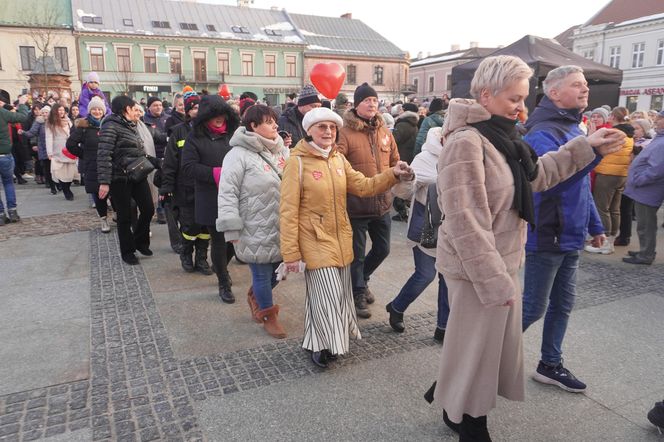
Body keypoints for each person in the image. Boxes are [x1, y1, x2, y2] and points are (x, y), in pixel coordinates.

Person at [430, 56, 624, 440]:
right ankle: (471, 422)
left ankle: (454, 404)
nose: (521, 109)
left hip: (499, 263)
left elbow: (537, 176)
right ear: (485, 95)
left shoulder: (502, 135)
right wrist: (496, 281)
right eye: (513, 99)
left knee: (482, 347)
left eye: (524, 99)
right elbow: (465, 220)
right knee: (478, 349)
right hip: (476, 270)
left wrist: (588, 146)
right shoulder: (468, 142)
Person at [280, 107, 413, 368]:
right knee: (325, 296)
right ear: (309, 131)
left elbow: (364, 186)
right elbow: (287, 211)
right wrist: (290, 253)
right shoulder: (296, 163)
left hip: (341, 239)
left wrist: (392, 174)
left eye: (331, 127)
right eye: (322, 127)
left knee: (336, 296)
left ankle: (317, 341)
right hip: (313, 239)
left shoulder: (338, 160)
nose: (328, 132)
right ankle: (321, 346)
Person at [519, 66, 613, 396]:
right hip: (547, 233)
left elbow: (582, 188)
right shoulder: (542, 132)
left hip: (570, 233)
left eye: (585, 85)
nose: (585, 90)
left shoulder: (575, 128)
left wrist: (594, 225)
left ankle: (550, 365)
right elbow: (546, 184)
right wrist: (593, 154)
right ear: (554, 93)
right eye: (577, 85)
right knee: (532, 308)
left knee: (562, 305)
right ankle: (482, 358)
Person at [216, 105, 289, 338]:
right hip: (253, 224)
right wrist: (231, 228)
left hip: (282, 222)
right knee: (260, 273)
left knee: (278, 271)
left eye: (275, 121)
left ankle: (256, 295)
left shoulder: (282, 152)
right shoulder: (236, 155)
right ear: (253, 126)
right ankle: (268, 315)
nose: (275, 126)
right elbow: (227, 193)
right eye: (268, 122)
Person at [337, 82, 400, 318]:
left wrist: (398, 174)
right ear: (356, 105)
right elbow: (338, 164)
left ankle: (362, 279)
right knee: (357, 254)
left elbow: (394, 159)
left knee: (383, 249)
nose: (372, 104)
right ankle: (358, 293)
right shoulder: (344, 132)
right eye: (367, 100)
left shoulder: (384, 130)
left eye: (374, 100)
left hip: (382, 203)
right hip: (356, 205)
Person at [387, 127, 449, 341]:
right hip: (427, 226)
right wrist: (408, 178)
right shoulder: (425, 158)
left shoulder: (464, 155)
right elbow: (404, 192)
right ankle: (397, 307)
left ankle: (443, 327)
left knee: (448, 278)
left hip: (452, 227)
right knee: (426, 274)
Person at [181, 95, 240, 303]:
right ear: (206, 117)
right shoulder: (194, 137)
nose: (219, 118)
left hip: (235, 194)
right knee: (218, 240)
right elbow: (188, 167)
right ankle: (224, 282)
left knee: (236, 239)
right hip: (210, 196)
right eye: (214, 114)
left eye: (222, 113)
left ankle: (220, 264)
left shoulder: (234, 134)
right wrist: (215, 173)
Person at [97, 96, 157, 265]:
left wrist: (154, 162)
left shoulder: (131, 125)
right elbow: (103, 154)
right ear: (126, 109)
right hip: (119, 178)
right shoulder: (110, 126)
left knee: (148, 209)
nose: (136, 110)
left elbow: (136, 151)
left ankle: (140, 241)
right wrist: (104, 182)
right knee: (124, 217)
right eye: (133, 107)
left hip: (137, 174)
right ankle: (128, 251)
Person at [160, 89, 207, 271]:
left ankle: (202, 259)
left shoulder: (207, 131)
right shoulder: (178, 132)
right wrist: (166, 188)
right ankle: (186, 254)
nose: (197, 111)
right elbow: (170, 162)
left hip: (204, 187)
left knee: (205, 228)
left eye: (199, 107)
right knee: (190, 226)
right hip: (185, 189)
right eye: (193, 108)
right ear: (187, 111)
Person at [585, 107, 634, 254]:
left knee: (602, 207)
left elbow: (596, 147)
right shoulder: (629, 133)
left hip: (608, 174)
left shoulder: (615, 132)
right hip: (620, 174)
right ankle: (611, 239)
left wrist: (591, 134)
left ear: (613, 116)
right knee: (614, 208)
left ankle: (604, 240)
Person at [622, 110, 664, 265]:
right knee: (643, 223)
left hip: (648, 190)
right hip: (644, 190)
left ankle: (646, 254)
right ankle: (644, 250)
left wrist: (639, 179)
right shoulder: (659, 138)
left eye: (660, 119)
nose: (657, 121)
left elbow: (657, 169)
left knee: (646, 224)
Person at [66, 96, 110, 232]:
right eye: (94, 109)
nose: (97, 112)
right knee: (99, 195)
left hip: (109, 164)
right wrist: (84, 155)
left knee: (114, 191)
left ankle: (118, 215)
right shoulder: (83, 126)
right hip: (93, 165)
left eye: (99, 109)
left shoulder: (108, 124)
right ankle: (103, 219)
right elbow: (70, 144)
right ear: (89, 111)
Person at [615, 118, 654, 246]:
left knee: (629, 210)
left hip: (637, 180)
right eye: (633, 128)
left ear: (644, 129)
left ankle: (626, 237)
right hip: (628, 178)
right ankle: (624, 235)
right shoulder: (634, 141)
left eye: (637, 128)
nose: (634, 131)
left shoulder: (646, 143)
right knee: (623, 208)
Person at [0, 90, 29, 225]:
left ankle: (1, 215)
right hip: (5, 155)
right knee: (8, 183)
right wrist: (22, 104)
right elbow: (23, 117)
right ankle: (12, 212)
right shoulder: (2, 112)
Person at [392, 102, 419, 221]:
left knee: (400, 184)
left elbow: (393, 140)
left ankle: (402, 211)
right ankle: (405, 209)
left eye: (402, 109)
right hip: (409, 155)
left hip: (401, 156)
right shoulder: (413, 123)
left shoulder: (403, 124)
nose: (400, 110)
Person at [45, 103, 75, 200]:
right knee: (61, 172)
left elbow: (73, 134)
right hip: (58, 150)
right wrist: (49, 152)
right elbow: (48, 138)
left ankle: (68, 186)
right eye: (59, 110)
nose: (61, 112)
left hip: (69, 149)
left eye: (62, 110)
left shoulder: (68, 121)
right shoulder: (50, 123)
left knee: (71, 172)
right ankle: (66, 190)